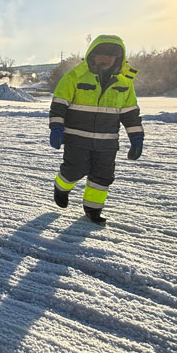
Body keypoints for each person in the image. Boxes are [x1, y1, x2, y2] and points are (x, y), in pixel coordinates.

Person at [49, 34, 144, 223]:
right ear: (92, 54)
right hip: (77, 138)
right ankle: (61, 187)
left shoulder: (125, 82)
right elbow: (59, 104)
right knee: (75, 170)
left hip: (107, 142)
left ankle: (93, 209)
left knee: (102, 177)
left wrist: (136, 139)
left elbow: (131, 114)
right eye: (101, 53)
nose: (106, 58)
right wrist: (56, 128)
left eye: (111, 55)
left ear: (118, 58)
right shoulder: (75, 77)